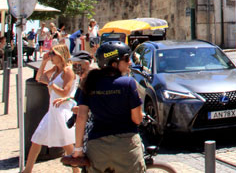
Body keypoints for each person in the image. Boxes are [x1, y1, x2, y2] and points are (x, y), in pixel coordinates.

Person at [72, 41, 145, 173]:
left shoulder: (89, 82)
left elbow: (81, 117)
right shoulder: (128, 83)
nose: (130, 63)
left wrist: (78, 149)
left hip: (97, 146)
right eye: (127, 59)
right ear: (114, 64)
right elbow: (137, 119)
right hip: (125, 145)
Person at [23, 44, 78, 173]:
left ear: (60, 55)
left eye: (53, 54)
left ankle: (77, 171)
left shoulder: (68, 71)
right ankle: (28, 170)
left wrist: (51, 84)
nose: (51, 56)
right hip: (53, 110)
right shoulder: (55, 70)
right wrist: (43, 63)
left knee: (66, 143)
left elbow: (65, 92)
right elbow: (39, 78)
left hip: (62, 110)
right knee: (37, 139)